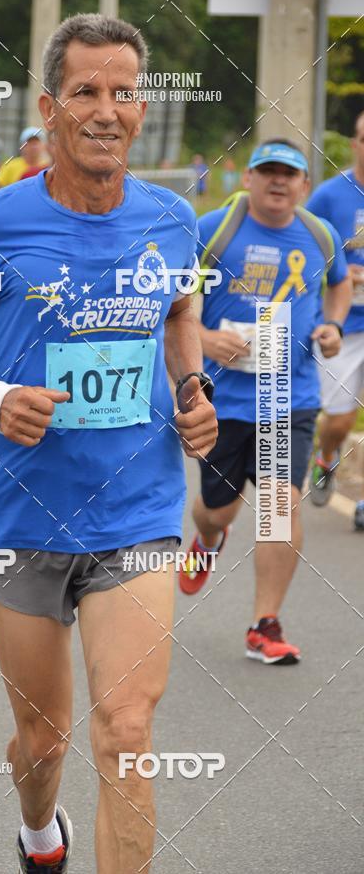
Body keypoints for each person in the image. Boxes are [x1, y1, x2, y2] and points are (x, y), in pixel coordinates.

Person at [0, 13, 217, 873]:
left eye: (124, 93)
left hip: (138, 513)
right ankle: (39, 831)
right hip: (19, 518)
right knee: (43, 743)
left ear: (143, 110)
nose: (107, 110)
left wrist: (192, 388)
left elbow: (181, 310)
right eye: (86, 92)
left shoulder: (174, 218)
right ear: (50, 108)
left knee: (126, 730)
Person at [179, 138, 352, 664]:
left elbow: (339, 287)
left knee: (281, 506)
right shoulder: (213, 231)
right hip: (221, 401)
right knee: (218, 508)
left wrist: (332, 326)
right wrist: (206, 342)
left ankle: (265, 624)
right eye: (268, 171)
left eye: (289, 174)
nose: (278, 181)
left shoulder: (320, 235)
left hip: (287, 396)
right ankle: (207, 538)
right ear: (248, 178)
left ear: (303, 185)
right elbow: (175, 301)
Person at [306, 111, 364, 530]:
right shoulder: (329, 196)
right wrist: (342, 270)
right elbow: (300, 244)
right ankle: (326, 456)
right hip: (345, 324)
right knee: (340, 420)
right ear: (355, 143)